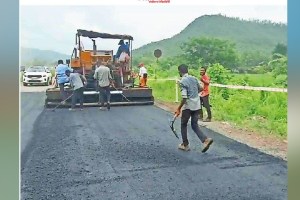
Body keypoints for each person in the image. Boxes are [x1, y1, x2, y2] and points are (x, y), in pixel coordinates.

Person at [175, 64, 213, 152]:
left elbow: (184, 97)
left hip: (188, 106)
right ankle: (205, 140)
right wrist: (195, 93)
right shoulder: (194, 78)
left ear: (180, 71)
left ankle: (185, 145)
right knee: (194, 125)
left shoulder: (182, 81)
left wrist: (179, 108)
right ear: (187, 70)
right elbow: (201, 88)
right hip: (197, 105)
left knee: (183, 124)